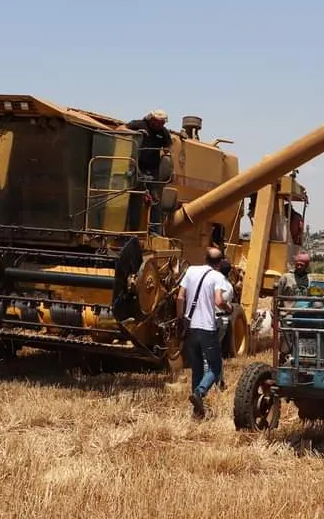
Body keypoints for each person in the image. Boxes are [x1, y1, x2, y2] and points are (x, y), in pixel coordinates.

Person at [176, 246, 230, 418]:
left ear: (205, 258)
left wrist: (180, 319)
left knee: (196, 368)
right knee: (215, 366)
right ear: (220, 262)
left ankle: (197, 412)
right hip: (207, 328)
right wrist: (228, 307)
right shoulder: (217, 276)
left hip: (191, 327)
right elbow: (218, 300)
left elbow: (179, 297)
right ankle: (199, 392)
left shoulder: (190, 270)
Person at [124, 110, 173, 233]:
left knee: (155, 199)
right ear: (151, 119)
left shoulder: (163, 132)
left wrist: (169, 163)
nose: (160, 125)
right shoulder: (139, 124)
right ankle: (131, 228)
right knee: (134, 196)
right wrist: (134, 133)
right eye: (158, 122)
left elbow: (168, 149)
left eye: (162, 122)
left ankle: (154, 230)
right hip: (135, 165)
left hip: (152, 169)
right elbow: (120, 129)